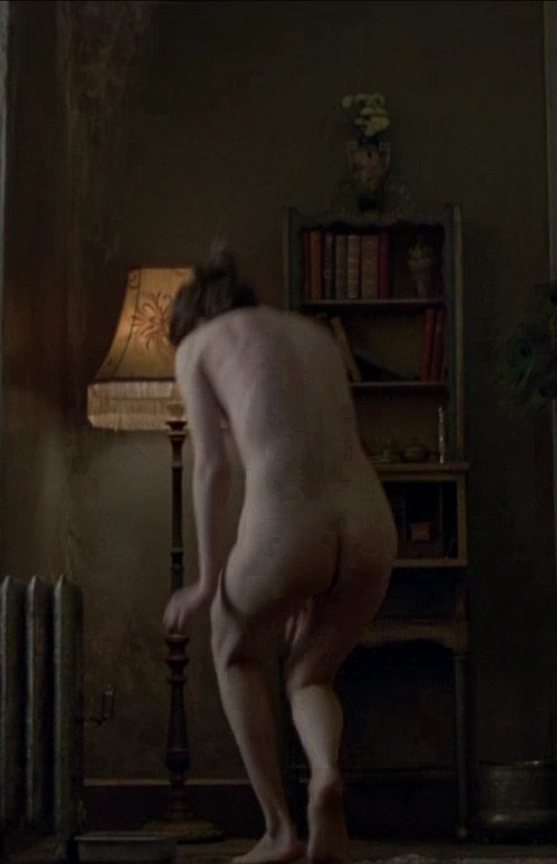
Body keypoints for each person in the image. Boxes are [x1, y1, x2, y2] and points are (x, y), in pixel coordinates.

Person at [161, 248, 396, 864]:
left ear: (190, 320)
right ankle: (325, 774)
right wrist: (307, 584)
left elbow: (212, 467)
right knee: (310, 674)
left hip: (288, 527)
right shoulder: (315, 336)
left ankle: (278, 831)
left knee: (232, 645)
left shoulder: (198, 347)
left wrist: (207, 580)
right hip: (371, 523)